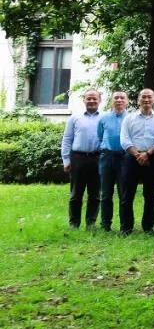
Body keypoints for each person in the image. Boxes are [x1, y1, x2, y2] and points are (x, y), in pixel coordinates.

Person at [119, 89, 154, 235]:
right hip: (131, 158)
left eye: (149, 97)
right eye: (143, 97)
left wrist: (148, 154)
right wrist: (138, 155)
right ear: (138, 100)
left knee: (150, 195)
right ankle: (126, 228)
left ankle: (148, 227)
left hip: (152, 158)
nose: (146, 100)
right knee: (127, 195)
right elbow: (124, 139)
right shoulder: (129, 118)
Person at [60, 89, 102, 230]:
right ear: (84, 100)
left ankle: (91, 223)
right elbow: (67, 139)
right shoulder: (74, 118)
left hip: (97, 159)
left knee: (95, 194)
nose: (91, 101)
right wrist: (66, 160)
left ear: (99, 100)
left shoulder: (104, 118)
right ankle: (74, 223)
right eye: (88, 98)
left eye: (94, 98)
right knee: (76, 194)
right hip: (78, 159)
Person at [96, 90, 128, 232]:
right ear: (111, 101)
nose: (119, 100)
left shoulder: (131, 118)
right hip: (107, 157)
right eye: (116, 98)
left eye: (122, 98)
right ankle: (105, 225)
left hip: (124, 158)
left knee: (123, 193)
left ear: (127, 101)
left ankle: (124, 226)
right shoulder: (103, 118)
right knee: (106, 193)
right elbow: (100, 136)